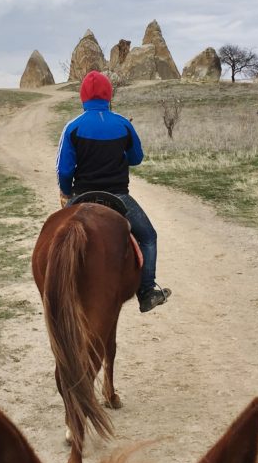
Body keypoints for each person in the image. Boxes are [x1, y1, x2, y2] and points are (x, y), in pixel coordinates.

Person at [56, 70, 172, 313]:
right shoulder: (123, 124)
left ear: (83, 97)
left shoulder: (73, 127)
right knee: (149, 236)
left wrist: (66, 193)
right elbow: (137, 158)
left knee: (56, 240)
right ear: (109, 96)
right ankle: (147, 291)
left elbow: (64, 170)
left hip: (81, 197)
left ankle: (54, 291)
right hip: (118, 196)